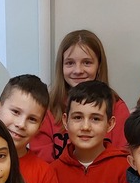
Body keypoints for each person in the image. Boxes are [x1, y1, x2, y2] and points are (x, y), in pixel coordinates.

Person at [40, 29, 130, 160]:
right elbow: (43, 162)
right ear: (61, 66)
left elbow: (122, 158)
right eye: (70, 63)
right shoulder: (48, 107)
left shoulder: (117, 107)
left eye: (87, 62)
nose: (78, 70)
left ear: (99, 66)